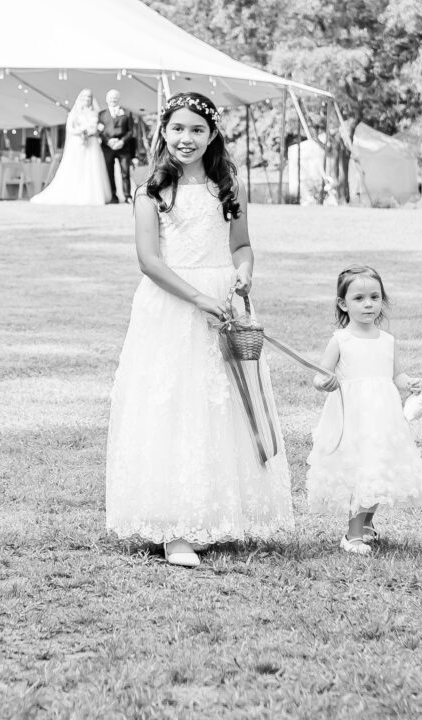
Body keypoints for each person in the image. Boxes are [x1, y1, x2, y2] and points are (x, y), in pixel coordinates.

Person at [106, 91, 293, 568]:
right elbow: (149, 261)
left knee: (222, 406)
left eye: (196, 130)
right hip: (173, 305)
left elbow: (242, 245)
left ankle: (216, 512)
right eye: (177, 129)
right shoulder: (150, 192)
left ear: (212, 136)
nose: (186, 138)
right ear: (163, 133)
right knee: (173, 404)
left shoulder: (227, 186)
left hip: (223, 301)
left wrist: (243, 274)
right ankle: (173, 528)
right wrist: (199, 299)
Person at [307, 265, 422, 555]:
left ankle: (366, 522)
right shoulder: (341, 339)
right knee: (360, 469)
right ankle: (352, 535)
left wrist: (411, 383)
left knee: (379, 465)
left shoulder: (387, 340)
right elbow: (320, 374)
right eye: (359, 298)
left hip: (383, 416)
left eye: (375, 297)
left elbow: (396, 376)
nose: (368, 304)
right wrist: (322, 382)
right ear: (343, 303)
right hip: (353, 416)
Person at [31, 89, 111, 206]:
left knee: (92, 168)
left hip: (92, 143)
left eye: (89, 97)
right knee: (77, 168)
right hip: (78, 143)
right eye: (84, 97)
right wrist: (81, 132)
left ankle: (95, 194)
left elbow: (99, 128)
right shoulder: (74, 113)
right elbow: (70, 129)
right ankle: (76, 193)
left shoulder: (96, 113)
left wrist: (92, 132)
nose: (87, 99)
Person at [98, 89, 136, 203]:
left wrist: (122, 142)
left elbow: (131, 131)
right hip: (108, 148)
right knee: (109, 172)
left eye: (115, 97)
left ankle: (127, 196)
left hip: (123, 147)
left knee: (125, 172)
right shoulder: (101, 114)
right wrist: (108, 141)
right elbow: (100, 131)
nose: (113, 99)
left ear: (118, 99)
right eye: (110, 97)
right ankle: (113, 196)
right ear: (106, 99)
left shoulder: (127, 113)